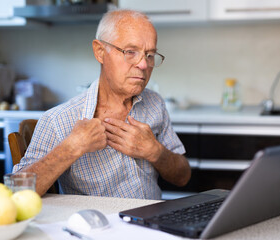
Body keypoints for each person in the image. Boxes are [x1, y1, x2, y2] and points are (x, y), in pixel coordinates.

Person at [13, 9, 191, 200]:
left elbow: (183, 177)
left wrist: (155, 151)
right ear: (100, 52)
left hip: (153, 223)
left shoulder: (155, 104)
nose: (144, 65)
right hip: (96, 227)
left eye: (149, 55)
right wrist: (72, 147)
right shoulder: (58, 120)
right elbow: (17, 193)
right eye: (130, 52)